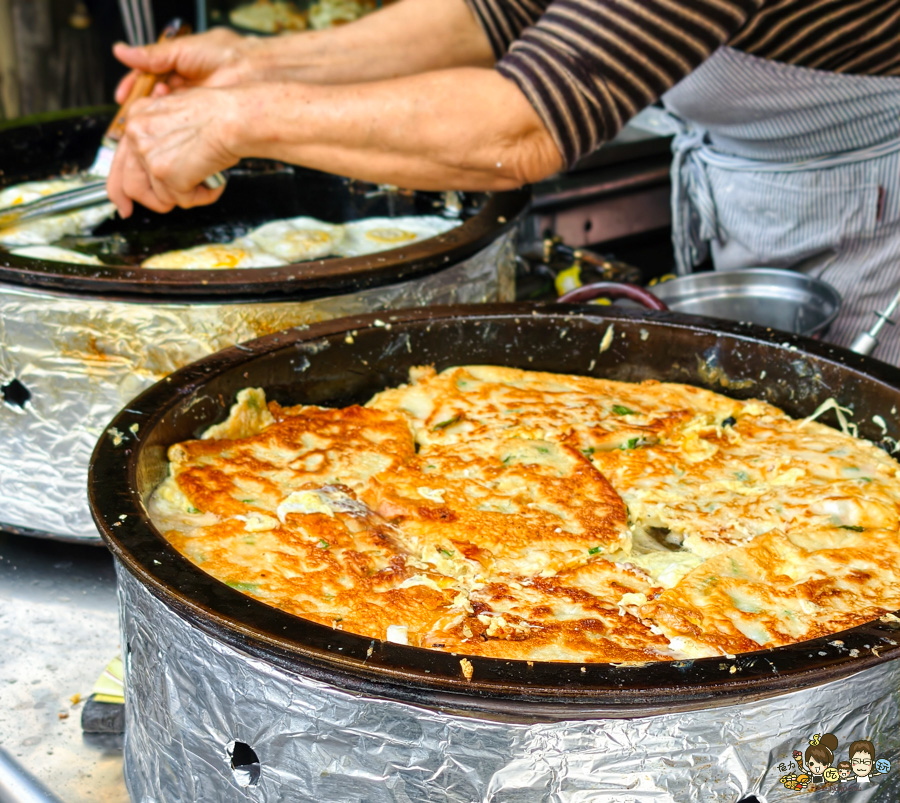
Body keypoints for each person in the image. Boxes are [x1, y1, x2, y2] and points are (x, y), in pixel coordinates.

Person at [108, 0, 900, 363]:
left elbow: (521, 125)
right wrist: (256, 66)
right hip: (761, 180)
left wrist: (234, 122)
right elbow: (492, 14)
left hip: (870, 207)